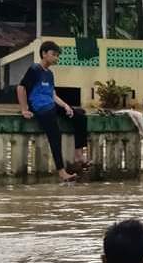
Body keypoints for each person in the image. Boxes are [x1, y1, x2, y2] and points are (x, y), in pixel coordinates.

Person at [17, 40, 90, 182]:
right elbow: (21, 88)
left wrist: (66, 106)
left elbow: (53, 94)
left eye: (57, 55)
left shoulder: (49, 74)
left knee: (80, 115)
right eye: (54, 54)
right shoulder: (34, 69)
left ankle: (78, 154)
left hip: (50, 103)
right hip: (39, 106)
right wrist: (24, 109)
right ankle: (62, 172)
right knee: (55, 133)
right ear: (44, 54)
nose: (56, 58)